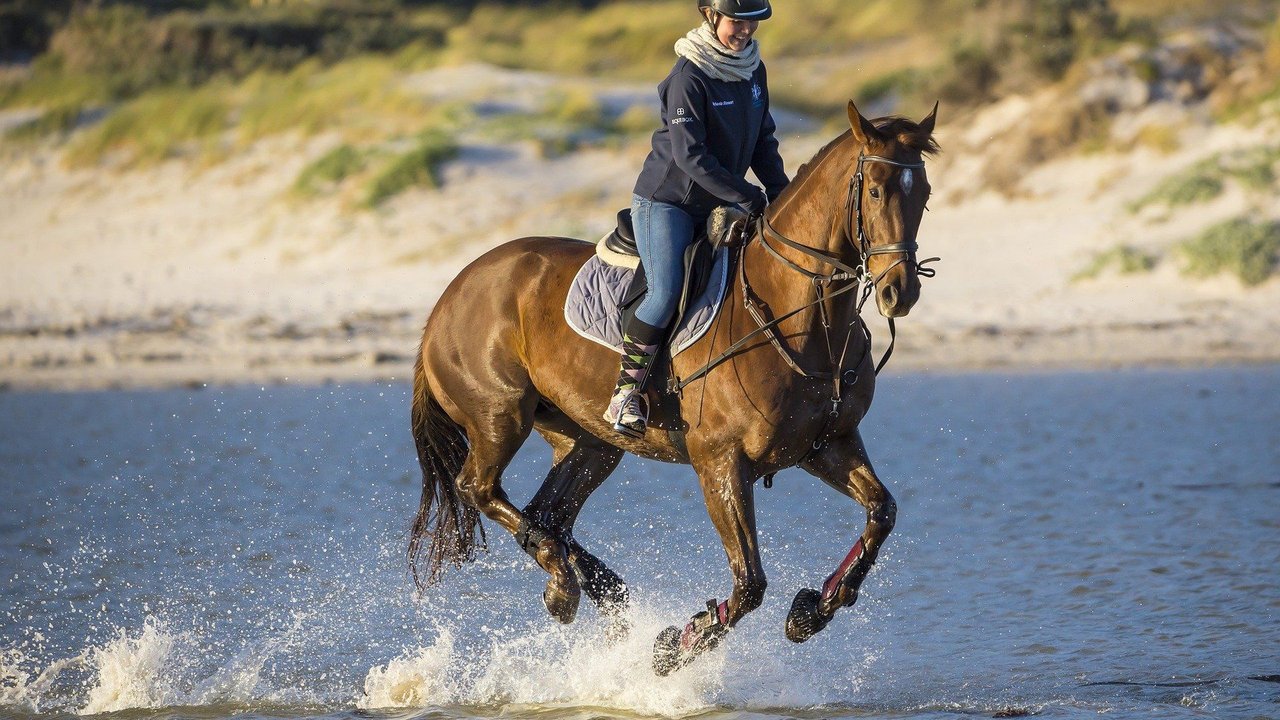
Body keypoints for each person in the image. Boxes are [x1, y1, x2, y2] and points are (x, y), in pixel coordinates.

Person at [604, 0, 789, 438]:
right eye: (736, 21)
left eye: (751, 22)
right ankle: (625, 393)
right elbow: (690, 156)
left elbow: (764, 141)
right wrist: (747, 194)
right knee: (666, 291)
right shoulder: (688, 76)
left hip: (721, 201)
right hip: (667, 201)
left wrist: (782, 194)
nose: (744, 31)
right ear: (711, 16)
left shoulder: (752, 70)